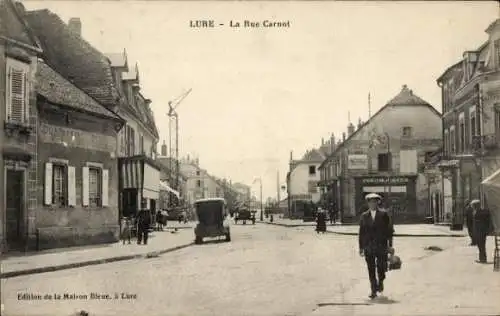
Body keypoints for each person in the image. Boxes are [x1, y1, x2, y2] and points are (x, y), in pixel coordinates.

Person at [359, 193, 394, 299]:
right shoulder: (364, 216)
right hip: (369, 246)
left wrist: (390, 246)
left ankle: (381, 280)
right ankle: (373, 290)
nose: (372, 204)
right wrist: (361, 247)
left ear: (378, 202)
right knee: (371, 268)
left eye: (374, 201)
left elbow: (389, 230)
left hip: (381, 245)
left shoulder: (384, 214)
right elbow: (361, 232)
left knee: (381, 267)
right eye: (370, 202)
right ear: (368, 203)